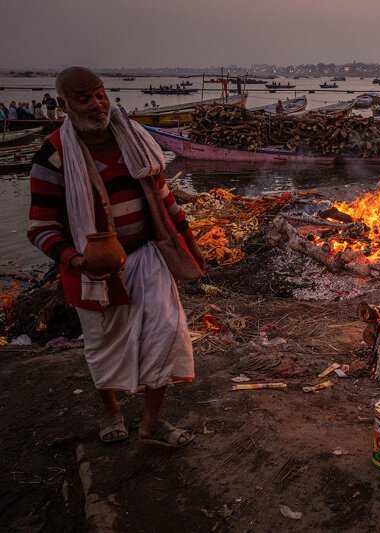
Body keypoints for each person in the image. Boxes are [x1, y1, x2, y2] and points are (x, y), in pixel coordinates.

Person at [27, 66, 205, 447]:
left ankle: (152, 423)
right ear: (63, 105)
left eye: (100, 94)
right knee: (104, 345)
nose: (96, 104)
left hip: (148, 256)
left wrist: (188, 241)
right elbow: (40, 226)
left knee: (166, 334)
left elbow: (163, 197)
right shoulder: (52, 156)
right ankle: (111, 412)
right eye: (84, 98)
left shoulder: (134, 140)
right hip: (93, 272)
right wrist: (77, 260)